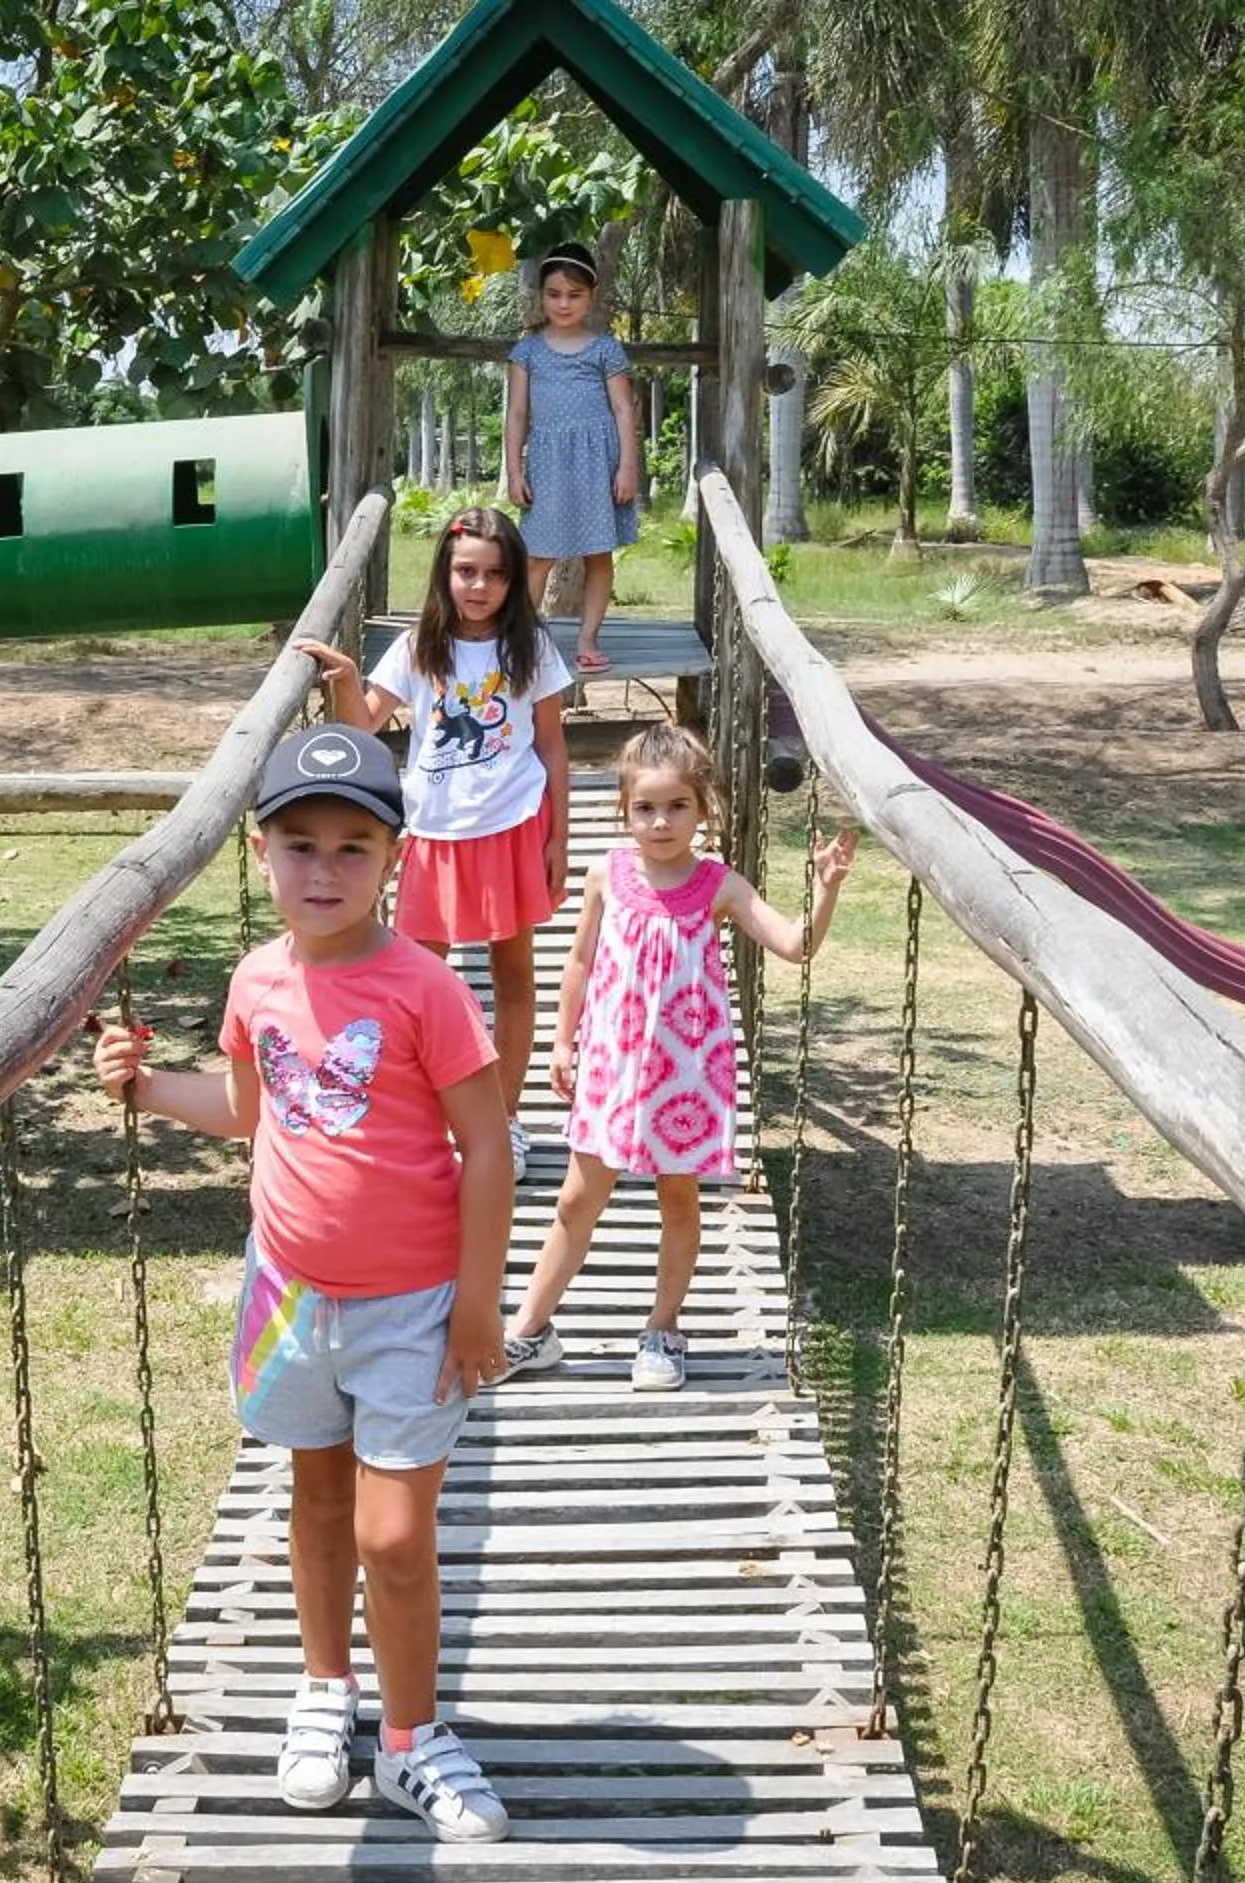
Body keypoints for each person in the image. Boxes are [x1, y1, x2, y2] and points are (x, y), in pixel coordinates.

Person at [93, 721, 513, 1842]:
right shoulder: (257, 980)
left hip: (414, 1307)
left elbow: (492, 1150)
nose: (323, 870)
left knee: (393, 1536)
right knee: (317, 1501)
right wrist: (144, 1090)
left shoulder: (424, 988)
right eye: (299, 845)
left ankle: (416, 1741)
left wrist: (479, 1304)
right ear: (262, 854)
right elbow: (245, 1110)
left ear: (396, 861)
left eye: (352, 848)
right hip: (288, 1295)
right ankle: (326, 1692)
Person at [502, 724, 858, 1391]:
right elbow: (578, 961)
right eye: (646, 808)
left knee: (678, 1201)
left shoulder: (719, 884)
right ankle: (529, 1332)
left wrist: (826, 890)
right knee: (577, 1201)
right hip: (612, 1065)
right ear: (624, 809)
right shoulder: (606, 872)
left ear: (703, 808)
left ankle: (662, 1330)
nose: (661, 822)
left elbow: (792, 945)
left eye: (677, 807)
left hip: (686, 1077)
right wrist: (561, 1039)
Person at [298, 507, 570, 1175]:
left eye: (495, 574)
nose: (479, 587)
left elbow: (555, 747)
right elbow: (365, 726)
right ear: (445, 574)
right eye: (466, 571)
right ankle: (418, 1114)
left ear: (512, 581)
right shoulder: (419, 646)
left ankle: (503, 1118)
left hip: (511, 824)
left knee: (513, 976)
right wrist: (341, 682)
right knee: (416, 978)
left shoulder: (530, 649)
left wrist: (558, 836)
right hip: (434, 831)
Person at [505, 241, 642, 675]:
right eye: (554, 294)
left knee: (598, 555)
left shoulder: (605, 349)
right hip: (548, 463)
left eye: (574, 294)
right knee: (537, 557)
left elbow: (623, 409)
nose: (563, 303)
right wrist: (513, 470)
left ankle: (587, 638)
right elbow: (518, 413)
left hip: (599, 462)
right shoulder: (527, 351)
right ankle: (523, 639)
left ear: (592, 295)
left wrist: (627, 466)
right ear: (541, 295)